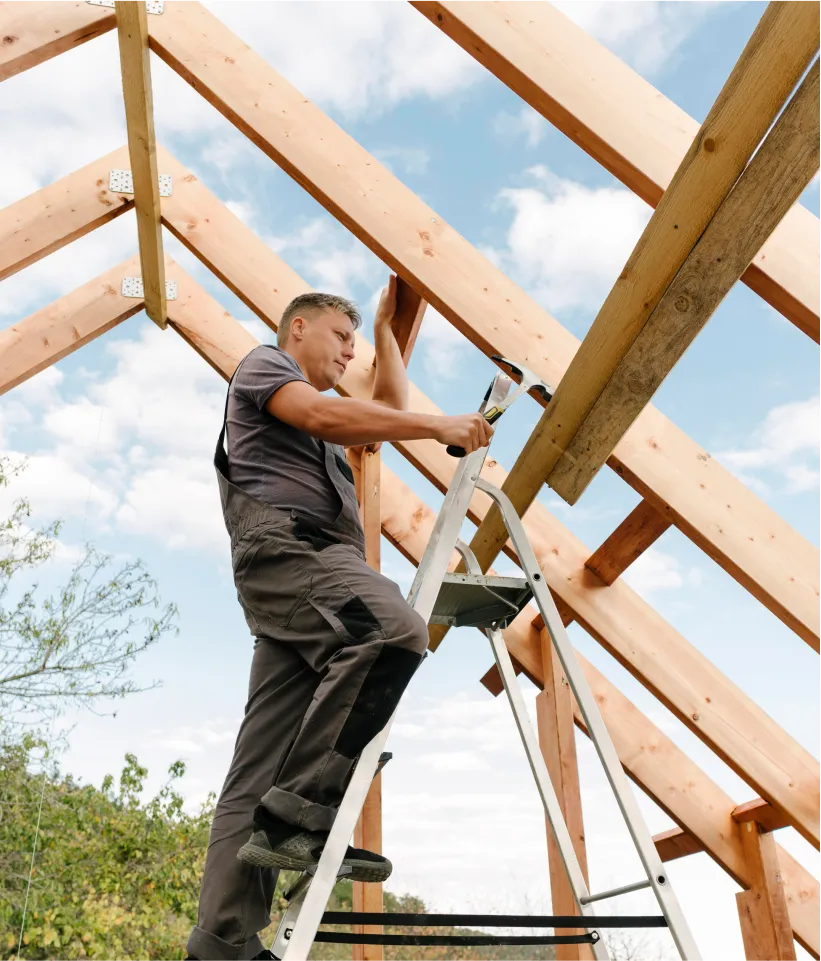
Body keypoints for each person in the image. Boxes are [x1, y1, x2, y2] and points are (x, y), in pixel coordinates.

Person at [186, 275, 494, 961]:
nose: (348, 351)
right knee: (390, 630)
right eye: (340, 336)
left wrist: (387, 332)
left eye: (355, 342)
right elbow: (328, 416)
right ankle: (300, 816)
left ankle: (221, 944)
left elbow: (377, 408)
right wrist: (440, 425)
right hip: (293, 554)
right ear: (298, 327)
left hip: (293, 593)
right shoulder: (265, 366)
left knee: (256, 770)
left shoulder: (321, 427)